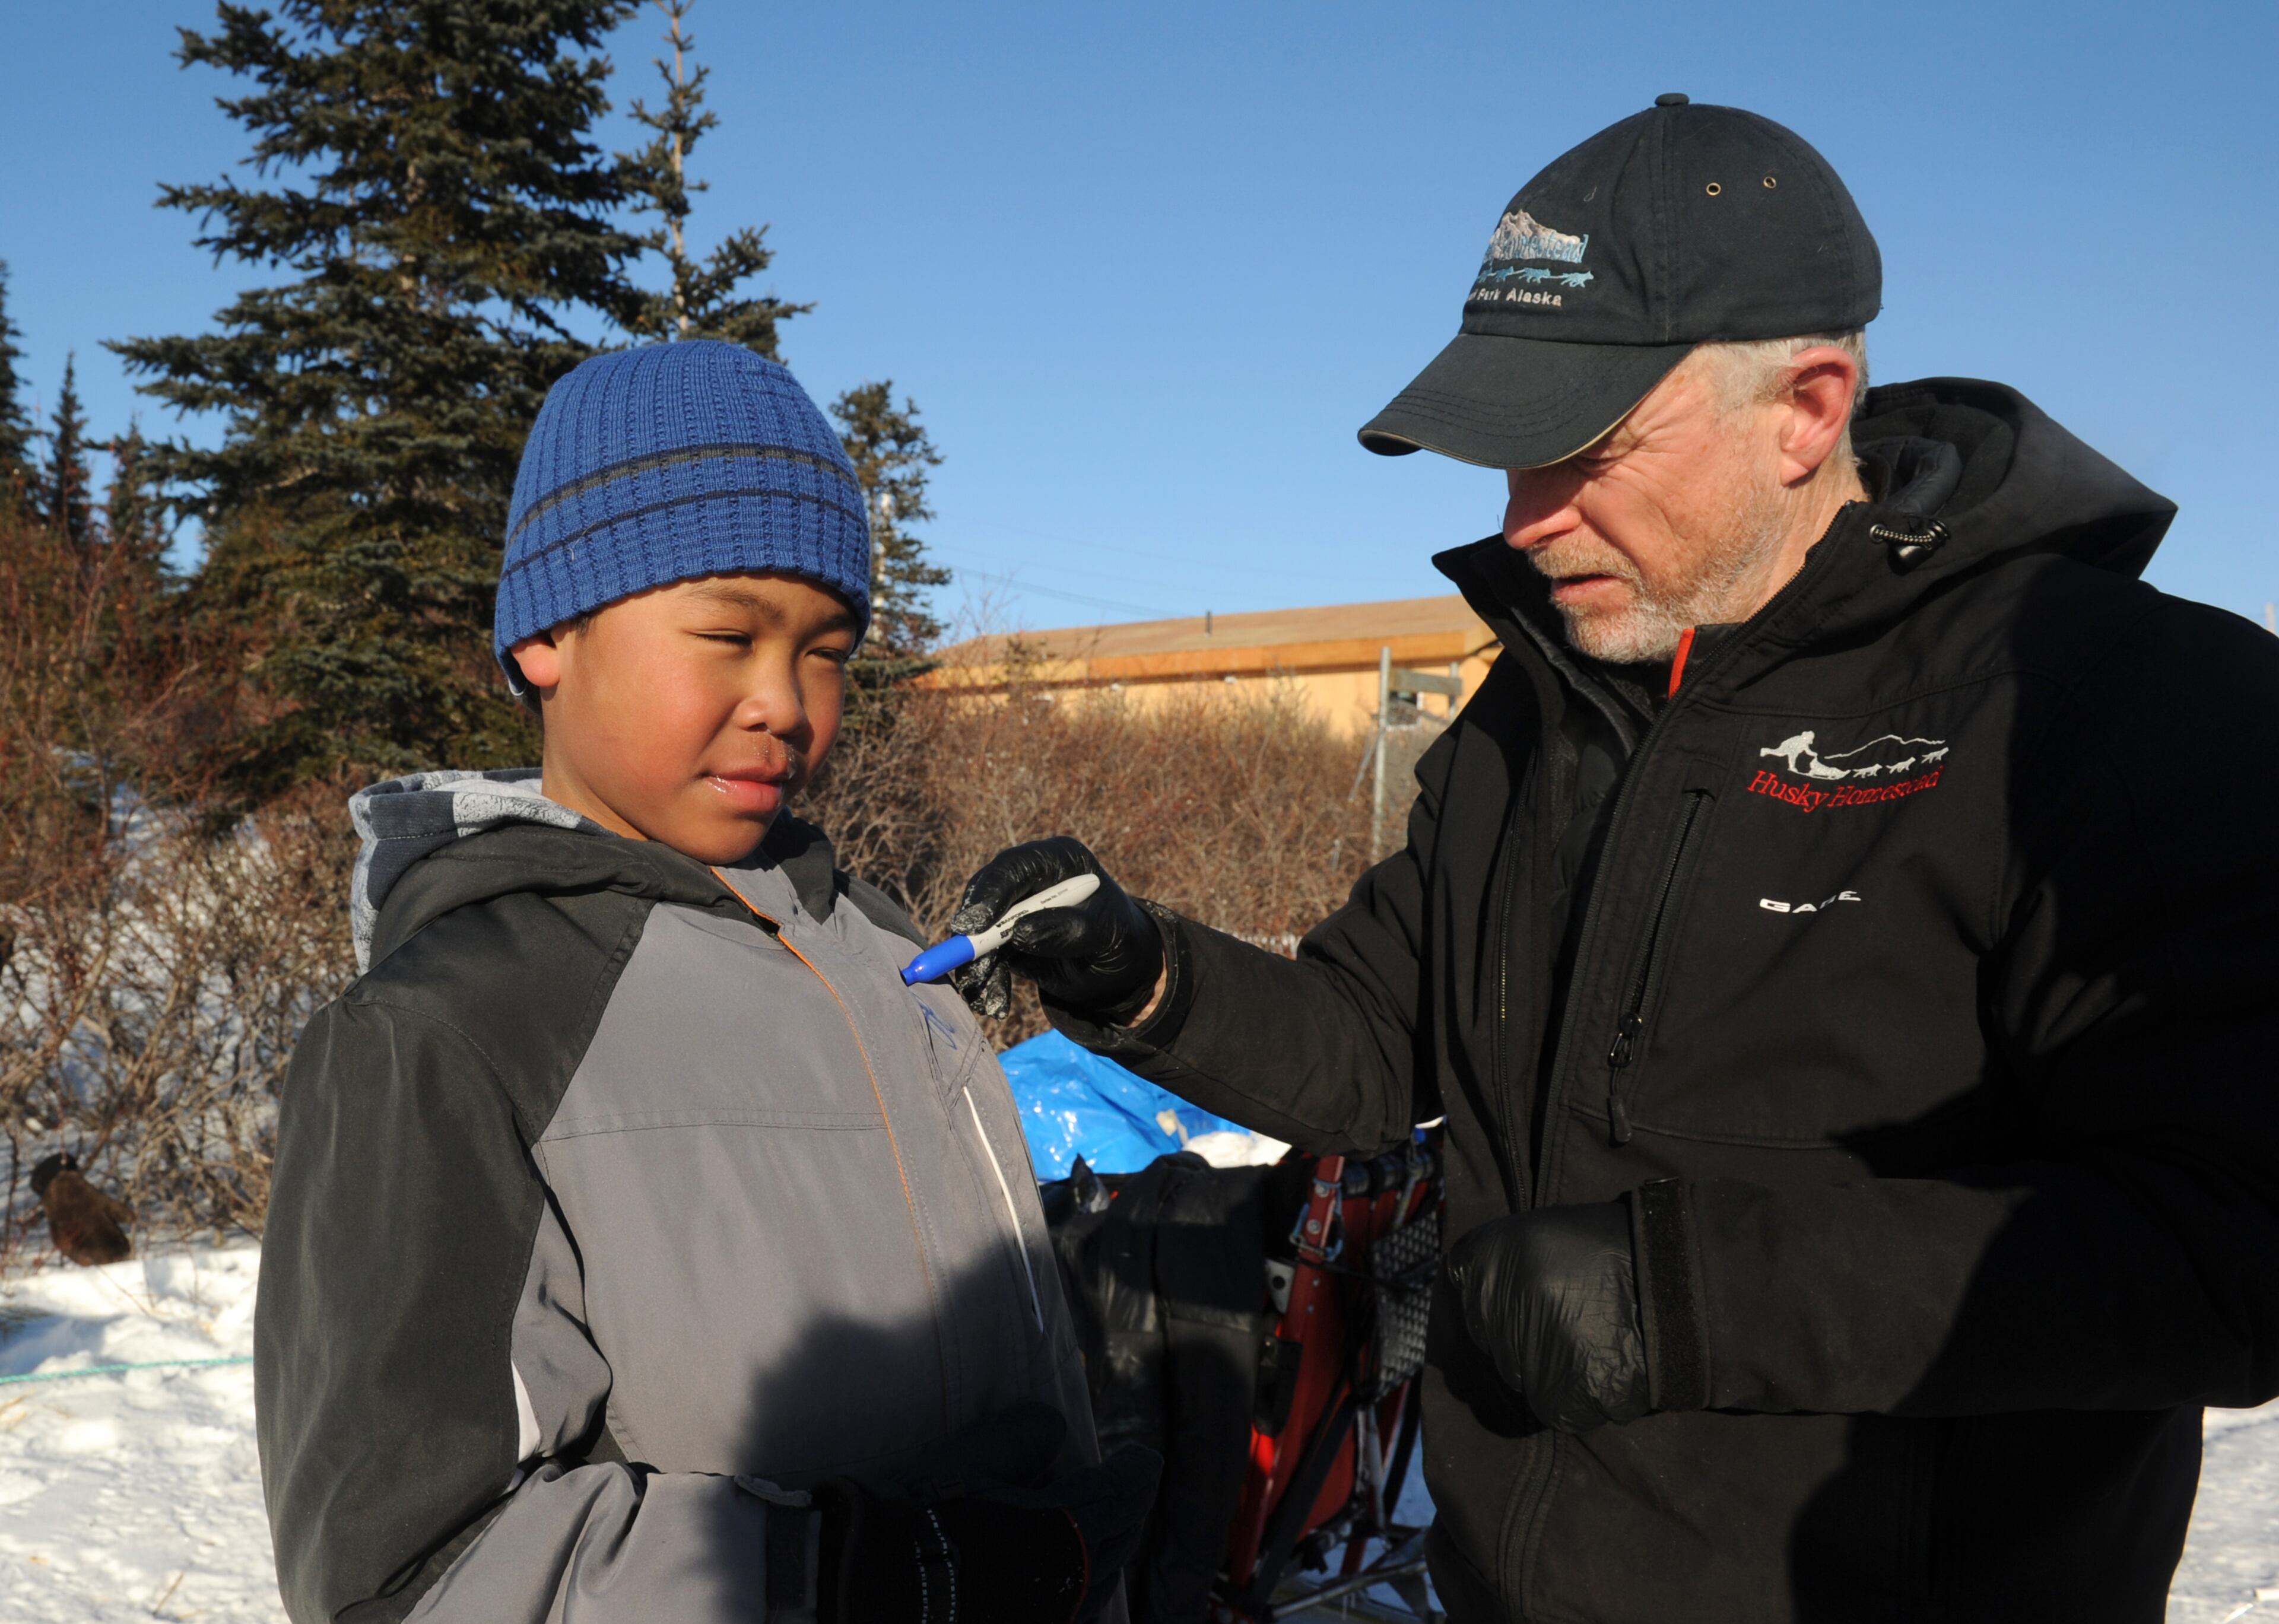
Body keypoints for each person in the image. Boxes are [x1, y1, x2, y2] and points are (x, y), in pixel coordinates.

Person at [945, 98, 2279, 1622]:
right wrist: (1144, 971)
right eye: (1505, 459)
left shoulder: (2109, 710)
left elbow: (2233, 1240)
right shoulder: (1547, 709)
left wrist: (1690, 1300)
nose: (1523, 523)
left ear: (1808, 405)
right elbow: (1382, 1039)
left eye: (1585, 451)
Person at [255, 340, 1155, 1624]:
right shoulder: (447, 1030)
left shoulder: (881, 954)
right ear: (548, 636)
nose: (785, 703)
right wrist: (869, 1573)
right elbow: (407, 1572)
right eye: (728, 634)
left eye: (828, 649)